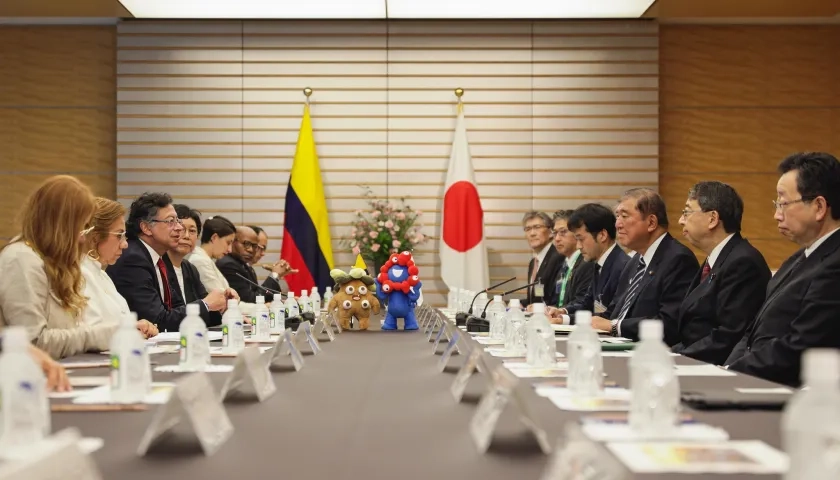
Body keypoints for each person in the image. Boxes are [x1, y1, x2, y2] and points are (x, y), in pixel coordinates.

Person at [726, 152, 840, 386]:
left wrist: (732, 374)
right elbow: (752, 332)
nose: (776, 215)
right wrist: (727, 370)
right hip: (755, 380)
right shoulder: (798, 258)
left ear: (819, 206)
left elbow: (803, 345)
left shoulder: (835, 264)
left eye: (783, 203)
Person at [0, 176, 115, 358]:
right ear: (59, 226)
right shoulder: (21, 260)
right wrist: (100, 335)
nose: (83, 238)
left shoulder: (50, 261)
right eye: (80, 228)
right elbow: (33, 343)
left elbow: (67, 331)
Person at [671, 182, 770, 365]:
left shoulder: (742, 262)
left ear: (712, 218)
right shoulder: (716, 258)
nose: (680, 220)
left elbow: (728, 335)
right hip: (693, 360)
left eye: (686, 212)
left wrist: (676, 359)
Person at [107, 192, 227, 332]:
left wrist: (222, 307)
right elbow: (158, 320)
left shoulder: (160, 259)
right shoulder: (133, 259)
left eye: (177, 221)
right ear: (146, 227)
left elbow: (177, 311)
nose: (179, 228)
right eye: (171, 221)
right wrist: (206, 304)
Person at [591, 188, 698, 345]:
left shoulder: (678, 259)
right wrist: (570, 321)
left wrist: (614, 326)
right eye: (617, 216)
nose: (617, 224)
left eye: (624, 216)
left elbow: (669, 323)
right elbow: (613, 313)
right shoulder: (635, 261)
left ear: (651, 223)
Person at [81, 198, 158, 338]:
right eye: (119, 235)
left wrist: (136, 327)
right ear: (95, 237)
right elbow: (87, 334)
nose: (125, 244)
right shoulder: (78, 276)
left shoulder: (102, 275)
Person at [549, 203, 629, 324]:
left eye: (581, 239)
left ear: (602, 235)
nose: (578, 246)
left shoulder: (623, 267)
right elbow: (587, 305)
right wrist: (563, 315)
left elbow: (609, 316)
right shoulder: (599, 264)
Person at [171, 204, 235, 327]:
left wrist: (226, 303)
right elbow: (166, 317)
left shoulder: (189, 268)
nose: (186, 236)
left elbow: (208, 311)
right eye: (182, 229)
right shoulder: (160, 267)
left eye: (192, 231)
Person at [217, 226, 294, 303]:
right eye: (246, 244)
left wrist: (285, 301)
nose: (251, 250)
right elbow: (250, 301)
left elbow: (264, 295)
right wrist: (274, 275)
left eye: (254, 246)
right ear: (233, 241)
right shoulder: (228, 265)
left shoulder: (245, 266)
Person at [545, 210, 595, 320]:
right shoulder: (563, 264)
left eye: (563, 232)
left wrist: (563, 312)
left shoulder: (586, 262)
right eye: (555, 233)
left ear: (576, 233)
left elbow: (583, 302)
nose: (557, 239)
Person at [521, 211, 562, 307]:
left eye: (537, 227)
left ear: (551, 232)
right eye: (528, 229)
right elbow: (535, 299)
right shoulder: (533, 263)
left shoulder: (558, 257)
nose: (532, 233)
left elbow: (556, 299)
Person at [186, 215, 236, 292]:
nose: (230, 250)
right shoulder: (200, 261)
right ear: (214, 238)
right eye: (228, 242)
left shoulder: (205, 260)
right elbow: (221, 299)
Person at [249, 225, 290, 295]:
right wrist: (275, 274)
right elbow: (255, 298)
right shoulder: (232, 266)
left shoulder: (248, 269)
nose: (263, 253)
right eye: (261, 248)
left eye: (264, 249)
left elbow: (261, 295)